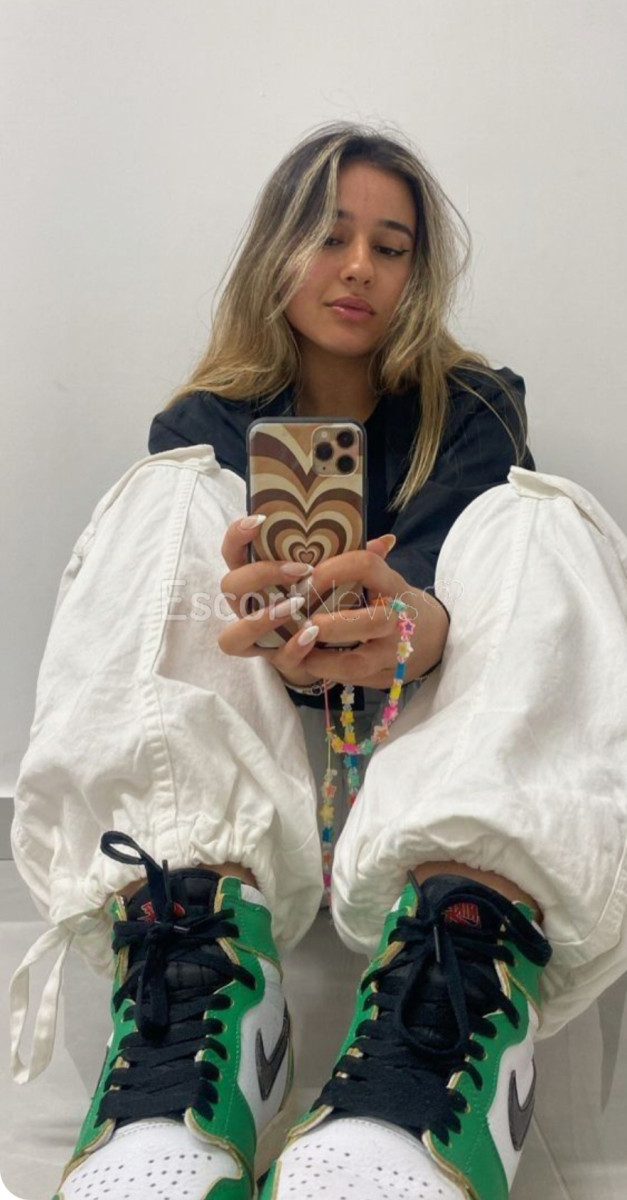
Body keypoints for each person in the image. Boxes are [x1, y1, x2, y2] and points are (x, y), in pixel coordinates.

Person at [9, 124, 627, 1200]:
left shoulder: (473, 407)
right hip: (246, 758)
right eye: (331, 236)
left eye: (391, 248)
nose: (358, 269)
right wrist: (260, 629)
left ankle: (460, 978)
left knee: (541, 518)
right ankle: (200, 980)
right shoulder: (203, 425)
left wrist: (413, 626)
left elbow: (476, 594)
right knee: (166, 495)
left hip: (432, 736)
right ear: (277, 249)